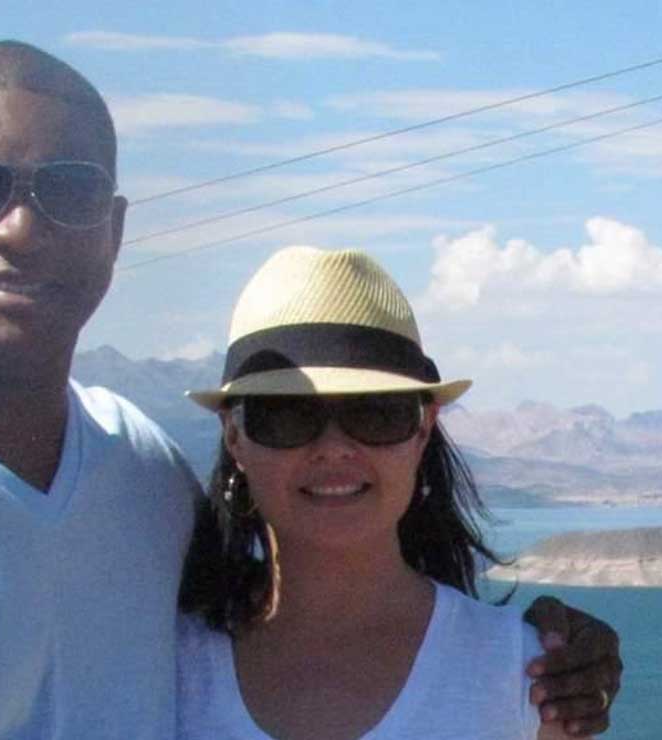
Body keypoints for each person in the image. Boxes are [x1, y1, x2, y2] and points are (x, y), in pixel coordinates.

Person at [0, 42, 617, 738]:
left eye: (63, 190)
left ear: (110, 228)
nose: (19, 228)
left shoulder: (135, 474)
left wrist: (550, 653)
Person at [177, 246, 614, 739]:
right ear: (233, 435)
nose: (334, 448)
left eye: (375, 412)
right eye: (287, 415)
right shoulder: (163, 669)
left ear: (424, 428)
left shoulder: (523, 678)